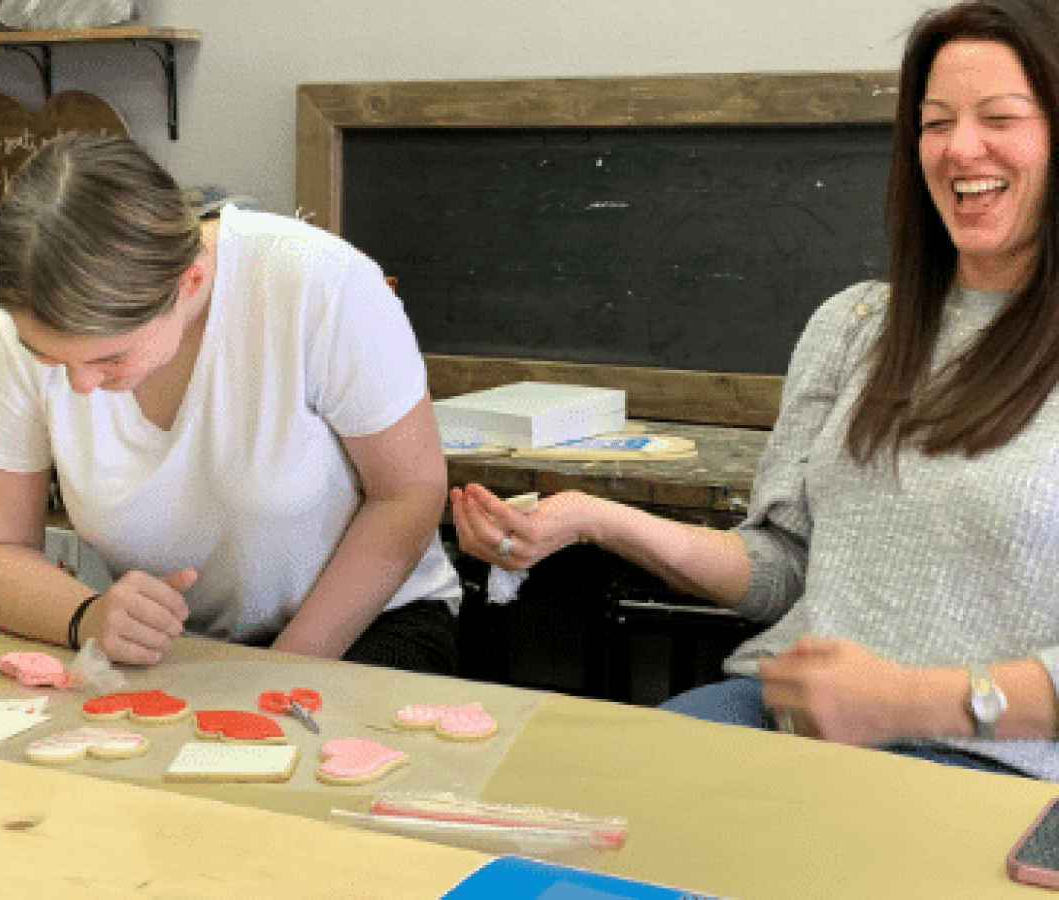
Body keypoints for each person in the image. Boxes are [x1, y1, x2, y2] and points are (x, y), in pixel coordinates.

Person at [452, 0, 1059, 778]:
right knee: (574, 799)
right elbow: (785, 565)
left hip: (993, 767)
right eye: (935, 123)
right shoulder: (855, 326)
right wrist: (595, 519)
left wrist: (910, 701)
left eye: (1000, 118)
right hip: (777, 722)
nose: (960, 149)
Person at [0, 133, 462, 674]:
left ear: (189, 283)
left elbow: (410, 495)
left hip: (369, 627)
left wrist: (283, 671)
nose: (78, 386)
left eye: (110, 358)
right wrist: (88, 617)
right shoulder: (23, 322)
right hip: (184, 649)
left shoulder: (321, 284)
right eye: (50, 359)